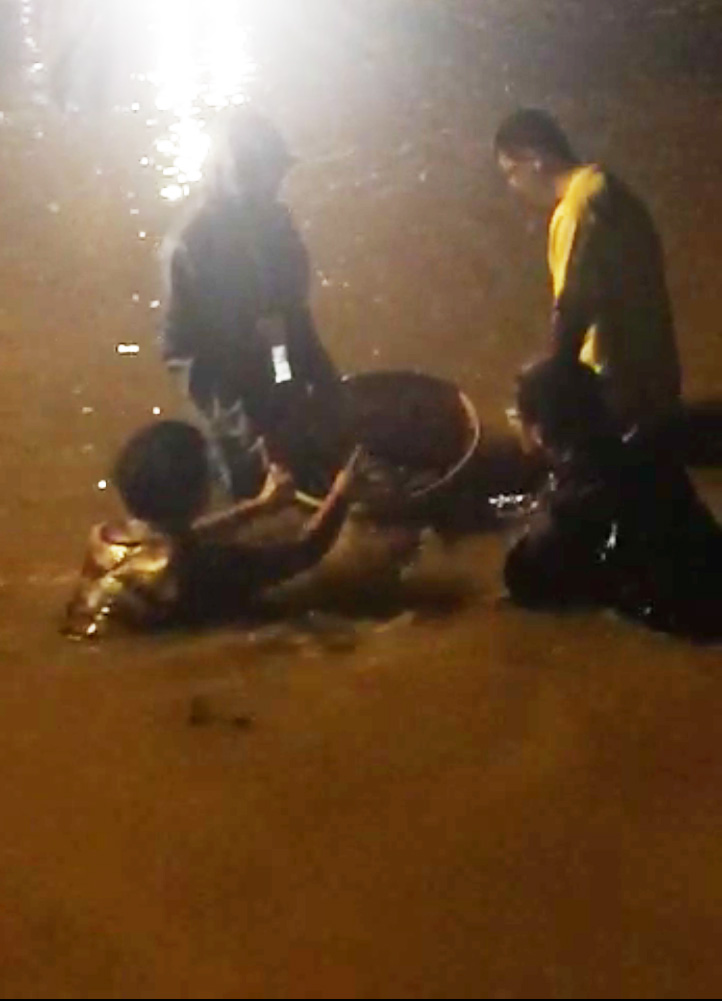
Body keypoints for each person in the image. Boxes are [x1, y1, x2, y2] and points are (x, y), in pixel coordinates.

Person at [161, 108, 346, 499]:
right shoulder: (191, 246)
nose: (274, 187)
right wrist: (244, 427)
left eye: (277, 176)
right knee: (252, 492)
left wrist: (325, 382)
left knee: (314, 471)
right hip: (232, 400)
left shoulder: (277, 223)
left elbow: (292, 313)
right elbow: (183, 355)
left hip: (280, 369)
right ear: (230, 176)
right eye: (262, 177)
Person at [63, 421, 360, 639]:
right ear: (195, 494)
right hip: (142, 645)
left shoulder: (104, 535)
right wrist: (343, 492)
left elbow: (174, 539)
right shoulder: (200, 567)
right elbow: (305, 550)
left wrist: (259, 506)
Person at [503, 358, 722, 642]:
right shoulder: (650, 457)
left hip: (690, 620)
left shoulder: (571, 504)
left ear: (538, 429)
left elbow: (526, 581)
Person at [494, 109, 682, 439]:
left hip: (612, 396)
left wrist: (546, 397)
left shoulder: (578, 207)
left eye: (511, 172)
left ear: (534, 158)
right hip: (654, 387)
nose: (513, 187)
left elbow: (572, 308)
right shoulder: (612, 192)